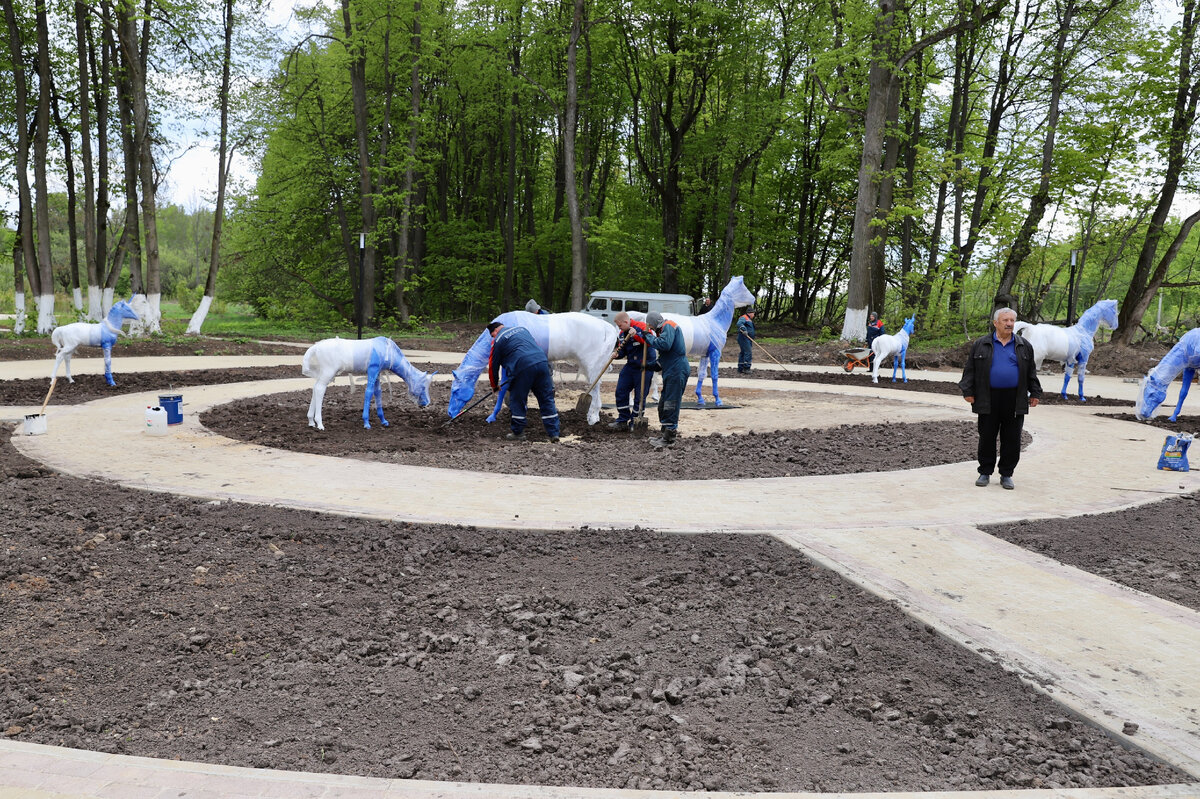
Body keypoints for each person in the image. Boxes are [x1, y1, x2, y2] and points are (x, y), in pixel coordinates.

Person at [959, 307, 1042, 490]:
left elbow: (1031, 372)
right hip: (988, 396)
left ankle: (1006, 474)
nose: (1009, 324)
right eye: (1005, 320)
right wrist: (967, 390)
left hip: (1014, 397)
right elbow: (970, 370)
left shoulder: (1024, 345)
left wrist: (1035, 392)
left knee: (1012, 438)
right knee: (987, 436)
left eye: (1012, 320)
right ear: (995, 323)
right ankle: (985, 472)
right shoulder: (981, 344)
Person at [487, 322, 559, 443]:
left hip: (522, 367)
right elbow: (533, 346)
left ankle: (518, 432)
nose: (493, 337)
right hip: (542, 362)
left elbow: (493, 365)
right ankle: (554, 433)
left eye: (492, 336)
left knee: (517, 399)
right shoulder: (522, 329)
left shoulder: (498, 339)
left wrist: (494, 385)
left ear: (494, 332)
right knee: (546, 398)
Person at [641, 311, 689, 448]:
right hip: (672, 370)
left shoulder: (669, 326)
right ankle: (665, 434)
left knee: (670, 403)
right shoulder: (663, 331)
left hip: (677, 370)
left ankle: (669, 438)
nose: (650, 329)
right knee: (663, 404)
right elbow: (663, 360)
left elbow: (665, 345)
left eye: (650, 327)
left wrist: (648, 337)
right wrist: (647, 366)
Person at [607, 312, 658, 430]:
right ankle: (622, 420)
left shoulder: (642, 327)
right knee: (621, 390)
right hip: (631, 365)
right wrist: (617, 354)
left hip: (644, 366)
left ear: (626, 322)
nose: (619, 328)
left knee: (640, 396)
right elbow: (623, 350)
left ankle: (635, 421)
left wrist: (636, 335)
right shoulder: (621, 333)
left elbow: (650, 341)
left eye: (620, 325)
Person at [736, 306, 756, 373]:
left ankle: (740, 368)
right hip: (744, 338)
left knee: (743, 352)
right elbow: (739, 323)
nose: (754, 315)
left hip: (747, 338)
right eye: (753, 313)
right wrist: (744, 329)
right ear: (750, 313)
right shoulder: (744, 317)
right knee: (748, 352)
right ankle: (746, 368)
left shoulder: (748, 319)